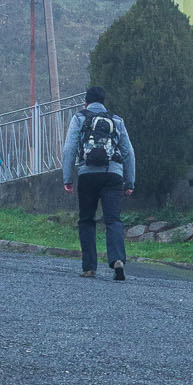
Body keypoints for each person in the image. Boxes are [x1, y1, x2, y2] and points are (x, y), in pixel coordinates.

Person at [62, 86, 135, 280]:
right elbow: (128, 152)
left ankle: (89, 267)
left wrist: (67, 178)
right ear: (103, 102)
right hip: (113, 175)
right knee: (113, 219)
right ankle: (118, 259)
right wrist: (130, 182)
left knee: (86, 219)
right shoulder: (116, 120)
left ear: (86, 102)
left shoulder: (79, 118)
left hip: (87, 174)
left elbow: (69, 148)